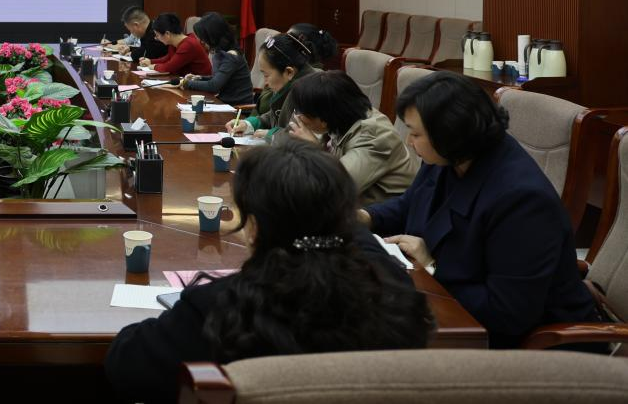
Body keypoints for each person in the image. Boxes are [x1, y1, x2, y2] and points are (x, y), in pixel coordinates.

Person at [105, 140, 432, 404]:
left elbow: (126, 366)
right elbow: (360, 239)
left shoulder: (220, 306)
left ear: (254, 228)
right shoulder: (392, 288)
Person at [364, 72, 603, 349]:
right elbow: (410, 204)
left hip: (532, 347)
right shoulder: (451, 155)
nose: (409, 141)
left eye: (415, 134)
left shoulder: (522, 200)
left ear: (449, 133)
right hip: (453, 310)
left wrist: (432, 266)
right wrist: (366, 217)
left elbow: (508, 314)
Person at [287, 70, 418, 204]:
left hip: (385, 212)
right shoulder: (342, 117)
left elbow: (334, 190)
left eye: (301, 111)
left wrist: (314, 150)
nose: (298, 117)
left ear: (324, 118)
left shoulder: (373, 137)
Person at [227, 33, 316, 140]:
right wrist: (248, 124)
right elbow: (276, 115)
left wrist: (271, 134)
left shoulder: (311, 92)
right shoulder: (289, 82)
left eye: (266, 75)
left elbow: (299, 134)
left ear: (289, 72)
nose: (265, 83)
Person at [181, 12, 253, 106]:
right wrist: (198, 78)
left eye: (203, 38)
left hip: (238, 108)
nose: (201, 41)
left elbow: (214, 86)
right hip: (224, 104)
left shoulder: (231, 55)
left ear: (212, 36)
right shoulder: (220, 52)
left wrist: (186, 83)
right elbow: (218, 79)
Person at [140, 12, 211, 77]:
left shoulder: (188, 45)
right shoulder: (174, 43)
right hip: (187, 81)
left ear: (167, 34)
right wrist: (150, 61)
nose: (156, 38)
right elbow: (168, 58)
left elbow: (169, 67)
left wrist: (154, 66)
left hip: (201, 83)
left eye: (157, 35)